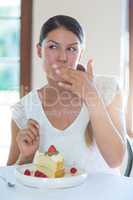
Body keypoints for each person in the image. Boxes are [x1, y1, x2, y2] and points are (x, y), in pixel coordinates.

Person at [7, 15, 126, 174]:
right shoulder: (24, 109)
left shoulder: (107, 89)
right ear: (38, 50)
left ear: (80, 52)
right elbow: (7, 180)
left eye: (71, 49)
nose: (62, 58)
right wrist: (26, 157)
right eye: (53, 47)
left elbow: (115, 160)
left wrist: (91, 95)